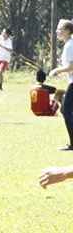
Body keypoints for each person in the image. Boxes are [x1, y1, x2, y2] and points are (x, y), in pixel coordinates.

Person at [50, 19, 73, 150]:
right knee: (67, 110)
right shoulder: (69, 44)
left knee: (65, 110)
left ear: (67, 31)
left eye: (59, 29)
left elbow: (71, 66)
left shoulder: (70, 45)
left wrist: (57, 70)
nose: (57, 31)